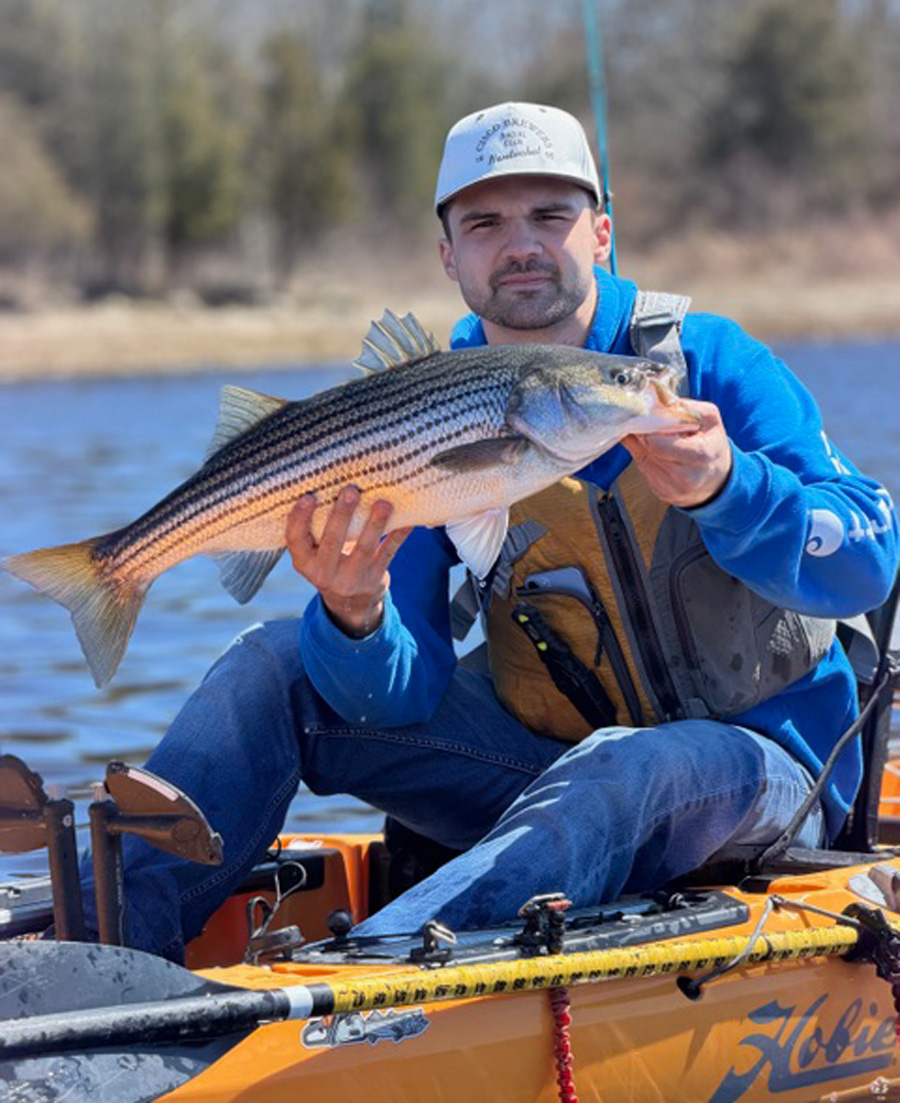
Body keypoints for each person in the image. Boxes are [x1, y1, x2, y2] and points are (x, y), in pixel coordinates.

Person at [89, 102, 899, 962]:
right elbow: (394, 698)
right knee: (273, 663)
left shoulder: (711, 364)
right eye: (484, 223)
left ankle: (365, 985)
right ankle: (102, 961)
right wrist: (356, 616)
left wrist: (731, 486)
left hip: (764, 772)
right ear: (448, 254)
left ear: (601, 233)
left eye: (550, 214)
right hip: (537, 771)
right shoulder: (420, 411)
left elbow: (870, 562)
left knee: (624, 765)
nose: (521, 245)